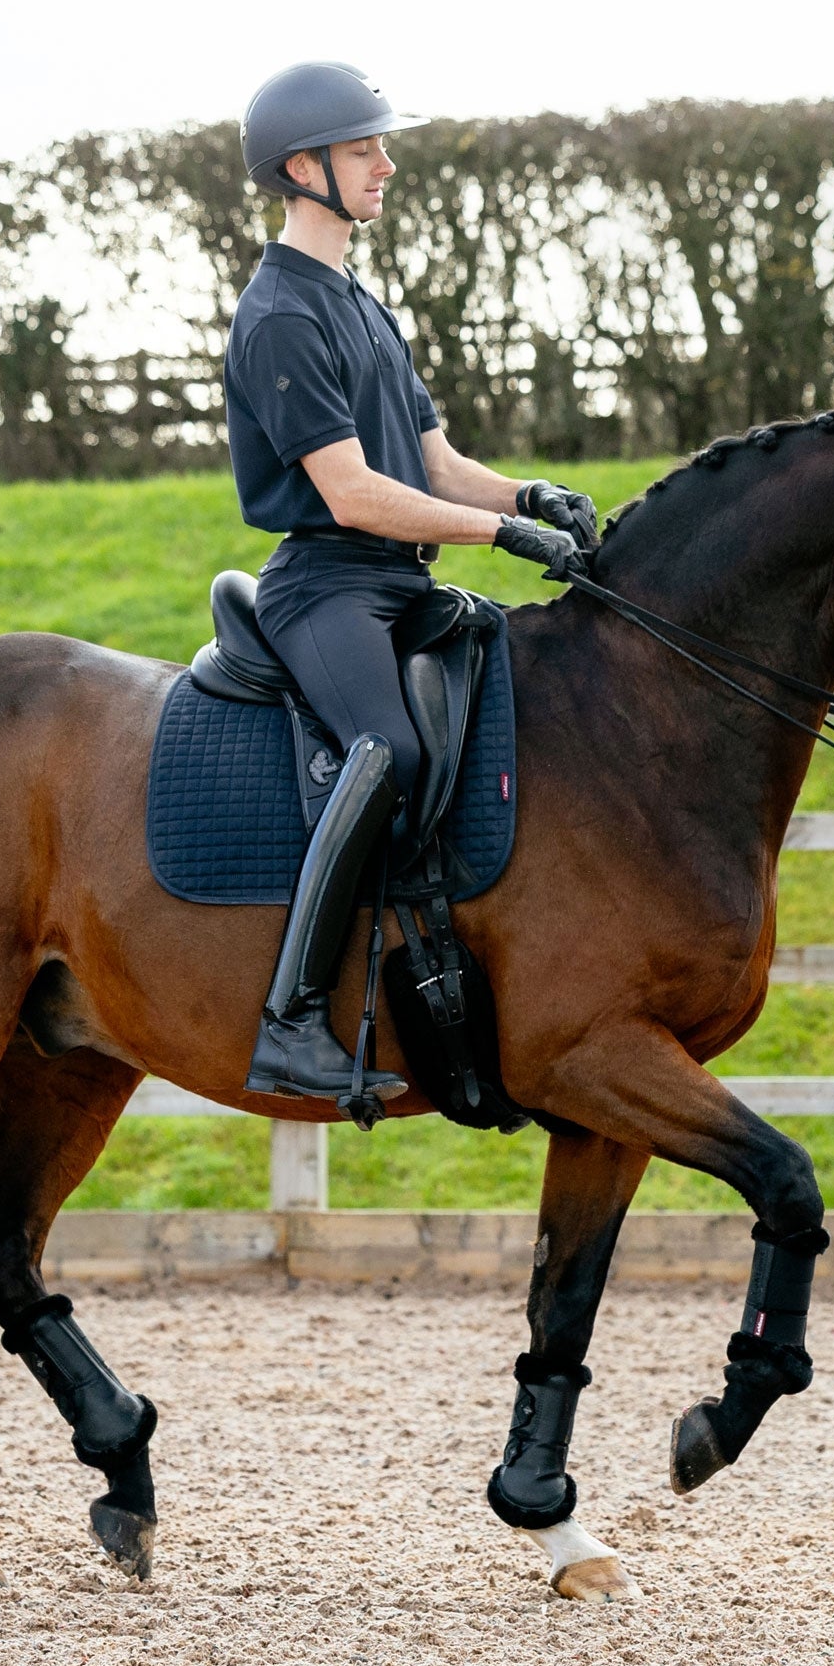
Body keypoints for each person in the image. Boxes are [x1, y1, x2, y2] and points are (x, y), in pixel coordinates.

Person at [225, 61, 596, 1110]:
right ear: (304, 170)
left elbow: (431, 467)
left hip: (400, 577)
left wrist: (527, 492)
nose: (386, 165)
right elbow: (349, 494)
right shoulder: (280, 316)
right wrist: (498, 533)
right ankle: (291, 1020)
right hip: (329, 586)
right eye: (362, 150)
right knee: (386, 750)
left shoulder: (359, 305)